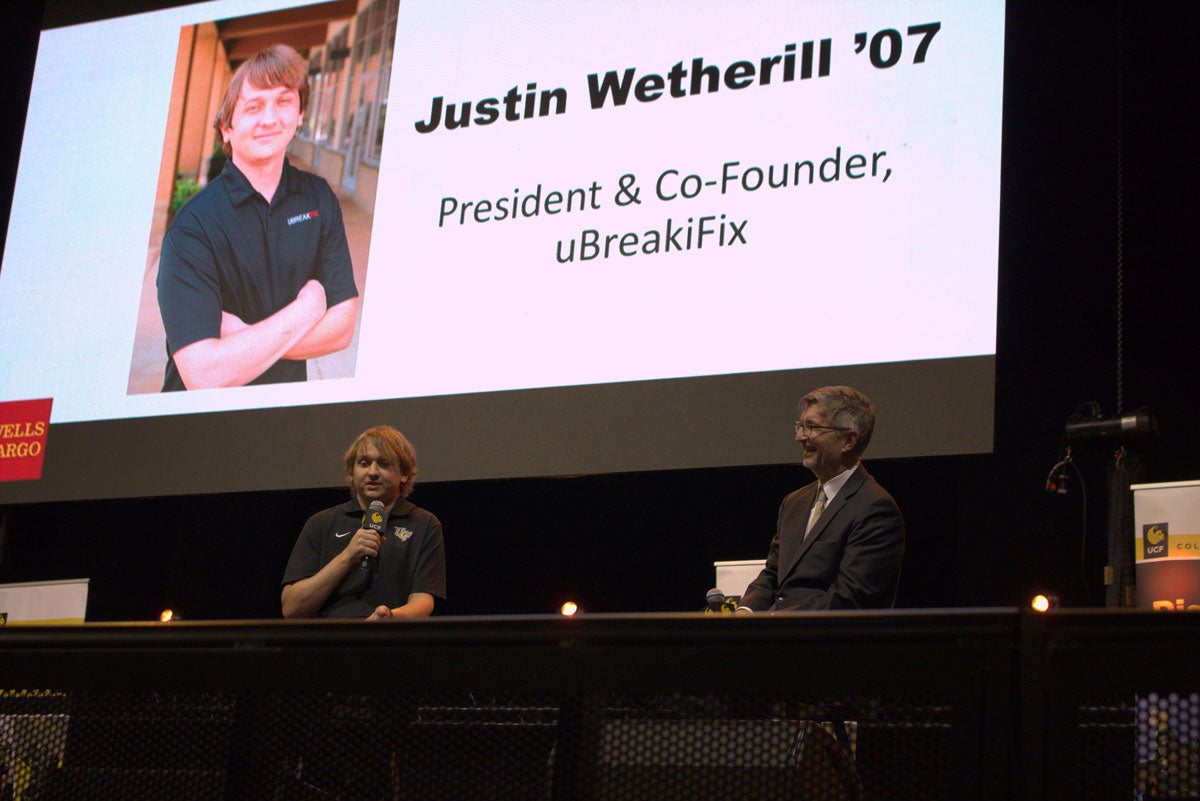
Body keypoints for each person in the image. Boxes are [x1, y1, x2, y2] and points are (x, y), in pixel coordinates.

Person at [157, 43, 359, 391]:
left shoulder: (318, 198)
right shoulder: (193, 227)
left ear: (300, 115)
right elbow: (204, 374)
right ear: (226, 127)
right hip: (201, 427)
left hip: (283, 417)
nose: (269, 119)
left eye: (283, 101)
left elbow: (342, 328)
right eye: (253, 107)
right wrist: (306, 310)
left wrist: (247, 339)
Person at [738, 385, 904, 612]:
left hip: (829, 643)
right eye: (800, 426)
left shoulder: (875, 508)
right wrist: (744, 611)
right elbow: (773, 573)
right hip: (780, 639)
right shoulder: (794, 502)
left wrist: (774, 621)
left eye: (812, 427)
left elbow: (850, 599)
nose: (799, 437)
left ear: (848, 440)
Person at [281, 426, 446, 619]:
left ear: (404, 474)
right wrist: (348, 556)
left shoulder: (424, 523)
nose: (373, 472)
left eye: (384, 464)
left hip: (390, 641)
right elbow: (291, 609)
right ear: (351, 472)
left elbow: (423, 601)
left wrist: (390, 617)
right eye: (364, 463)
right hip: (329, 643)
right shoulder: (321, 523)